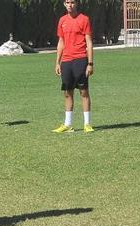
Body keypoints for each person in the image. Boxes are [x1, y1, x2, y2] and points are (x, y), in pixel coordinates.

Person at [52, 0, 94, 133]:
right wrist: (57, 62)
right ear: (64, 4)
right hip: (66, 61)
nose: (70, 5)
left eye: (72, 2)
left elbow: (89, 42)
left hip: (81, 59)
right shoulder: (62, 20)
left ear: (77, 4)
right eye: (67, 2)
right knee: (67, 92)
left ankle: (87, 124)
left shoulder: (84, 19)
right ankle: (68, 124)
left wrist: (90, 63)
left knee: (83, 92)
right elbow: (61, 42)